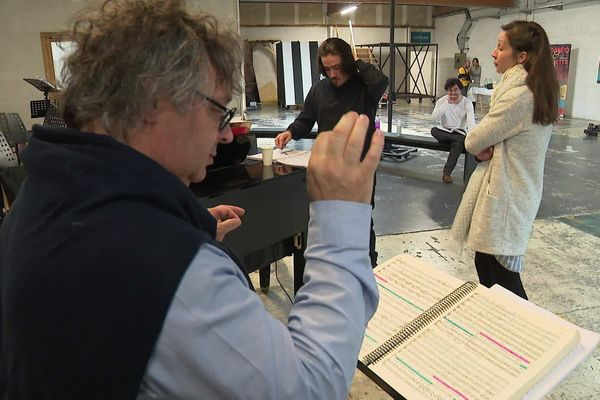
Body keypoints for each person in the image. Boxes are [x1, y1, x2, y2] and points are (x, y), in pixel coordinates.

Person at [0, 1, 385, 398]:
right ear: (155, 102)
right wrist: (340, 218)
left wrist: (179, 224)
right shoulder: (163, 266)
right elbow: (311, 389)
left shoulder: (48, 191)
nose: (224, 135)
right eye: (219, 111)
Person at [450, 20, 559, 300]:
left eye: (500, 47)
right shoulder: (522, 88)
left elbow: (474, 140)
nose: (493, 53)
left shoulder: (520, 95)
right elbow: (486, 141)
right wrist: (486, 145)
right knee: (489, 268)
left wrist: (481, 145)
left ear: (521, 57)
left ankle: (525, 337)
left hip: (508, 198)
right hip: (512, 193)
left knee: (502, 280)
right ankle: (504, 333)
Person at [275, 38, 389, 267]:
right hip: (328, 167)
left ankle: (368, 267)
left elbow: (381, 80)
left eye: (337, 67)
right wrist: (290, 132)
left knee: (361, 219)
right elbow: (305, 120)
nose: (332, 74)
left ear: (347, 63)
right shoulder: (319, 89)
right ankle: (333, 264)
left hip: (359, 168)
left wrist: (356, 62)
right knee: (327, 217)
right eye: (327, 69)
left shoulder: (366, 88)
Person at [430, 78, 476, 184]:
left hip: (458, 132)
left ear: (460, 90)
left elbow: (471, 123)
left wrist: (472, 136)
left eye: (455, 90)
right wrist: (446, 104)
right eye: (450, 90)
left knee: (460, 140)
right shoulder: (442, 101)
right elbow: (433, 118)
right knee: (434, 130)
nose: (453, 93)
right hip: (444, 132)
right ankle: (457, 140)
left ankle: (447, 172)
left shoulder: (467, 103)